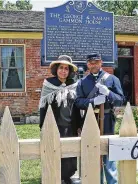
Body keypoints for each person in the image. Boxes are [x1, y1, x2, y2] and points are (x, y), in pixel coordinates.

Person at [75, 53, 124, 184]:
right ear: (87, 64)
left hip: (107, 119)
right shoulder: (82, 82)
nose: (93, 65)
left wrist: (108, 93)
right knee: (92, 152)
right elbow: (78, 102)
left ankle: (112, 181)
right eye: (91, 63)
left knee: (108, 153)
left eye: (96, 62)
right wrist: (93, 101)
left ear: (101, 62)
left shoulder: (112, 79)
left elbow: (120, 100)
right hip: (90, 120)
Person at [39, 55, 82, 184]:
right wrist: (43, 126)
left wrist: (79, 125)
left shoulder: (74, 85)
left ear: (70, 71)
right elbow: (43, 106)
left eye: (66, 69)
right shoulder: (48, 84)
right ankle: (56, 176)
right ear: (56, 69)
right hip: (55, 125)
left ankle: (68, 176)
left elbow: (77, 107)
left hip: (71, 125)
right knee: (55, 150)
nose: (63, 71)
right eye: (61, 68)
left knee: (70, 152)